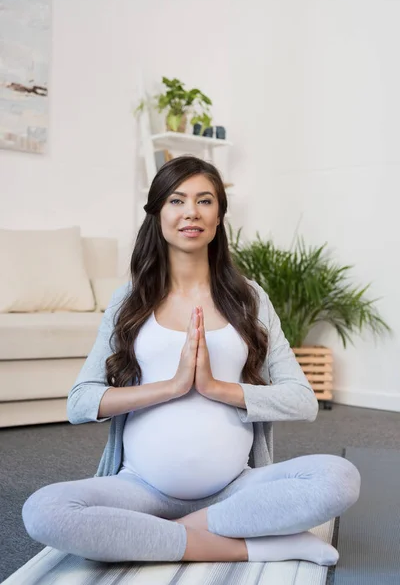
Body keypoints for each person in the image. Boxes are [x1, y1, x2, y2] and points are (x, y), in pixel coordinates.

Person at [22, 155, 361, 566]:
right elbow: (79, 402)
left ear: (219, 217)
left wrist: (216, 388)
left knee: (339, 478)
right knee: (44, 510)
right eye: (177, 200)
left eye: (205, 201)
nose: (191, 213)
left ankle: (163, 537)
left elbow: (303, 400)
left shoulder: (249, 299)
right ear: (158, 214)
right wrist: (172, 386)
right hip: (140, 489)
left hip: (235, 489)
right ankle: (250, 545)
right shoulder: (129, 300)